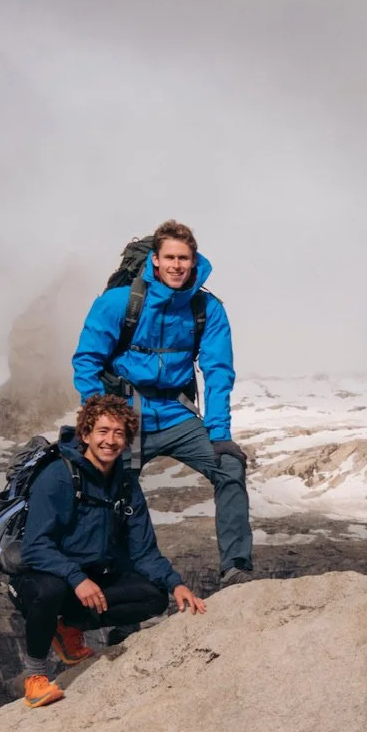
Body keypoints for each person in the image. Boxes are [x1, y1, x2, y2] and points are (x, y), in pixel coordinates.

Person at [72, 219, 252, 585]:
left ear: (194, 261)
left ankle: (236, 568)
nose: (176, 266)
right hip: (126, 414)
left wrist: (219, 434)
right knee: (111, 490)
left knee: (229, 466)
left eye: (184, 259)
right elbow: (86, 360)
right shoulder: (119, 303)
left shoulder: (207, 309)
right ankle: (119, 595)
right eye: (169, 257)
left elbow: (218, 373)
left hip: (176, 413)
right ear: (155, 260)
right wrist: (99, 420)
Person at [13, 393, 206, 708]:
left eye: (119, 433)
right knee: (51, 591)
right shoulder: (59, 476)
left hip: (90, 576)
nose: (110, 440)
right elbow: (35, 547)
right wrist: (76, 578)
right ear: (86, 434)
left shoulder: (126, 485)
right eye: (103, 431)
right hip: (41, 575)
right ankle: (35, 677)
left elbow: (143, 552)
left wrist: (176, 584)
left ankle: (67, 627)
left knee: (153, 597)